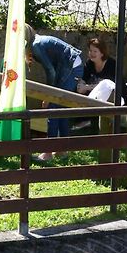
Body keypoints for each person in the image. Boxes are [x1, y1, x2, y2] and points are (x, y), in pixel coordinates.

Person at [25, 24, 83, 161]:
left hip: (71, 65)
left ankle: (48, 152)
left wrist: (48, 95)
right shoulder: (36, 42)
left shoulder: (36, 46)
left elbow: (50, 71)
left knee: (53, 107)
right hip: (73, 64)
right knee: (61, 107)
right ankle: (62, 150)